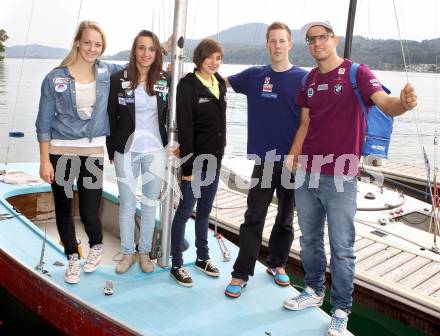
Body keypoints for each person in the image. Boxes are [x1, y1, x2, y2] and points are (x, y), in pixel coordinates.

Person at [282, 21, 417, 336]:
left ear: (334, 40)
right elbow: (305, 122)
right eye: (311, 39)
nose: (317, 43)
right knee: (309, 239)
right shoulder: (309, 80)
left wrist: (404, 103)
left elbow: (386, 103)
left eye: (323, 37)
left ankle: (341, 310)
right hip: (306, 172)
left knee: (342, 247)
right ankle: (314, 290)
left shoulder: (358, 73)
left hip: (341, 177)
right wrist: (293, 154)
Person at [224, 22, 307, 298]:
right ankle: (241, 272)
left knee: (285, 217)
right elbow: (217, 81)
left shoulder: (303, 79)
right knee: (253, 216)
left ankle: (277, 263)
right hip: (264, 160)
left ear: (290, 44)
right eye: (273, 41)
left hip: (291, 161)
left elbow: (315, 119)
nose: (277, 46)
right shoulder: (254, 76)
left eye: (282, 41)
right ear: (267, 44)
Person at [35, 20, 122, 284]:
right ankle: (72, 256)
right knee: (63, 207)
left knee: (88, 209)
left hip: (93, 152)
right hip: (60, 151)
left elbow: (140, 65)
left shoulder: (108, 71)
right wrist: (43, 161)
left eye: (98, 44)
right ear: (77, 42)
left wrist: (163, 49)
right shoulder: (55, 77)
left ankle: (96, 245)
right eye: (88, 43)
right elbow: (43, 122)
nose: (92, 48)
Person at [107, 30, 171, 274]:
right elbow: (111, 115)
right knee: (127, 202)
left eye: (151, 49)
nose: (146, 53)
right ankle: (127, 253)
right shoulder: (118, 78)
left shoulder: (166, 79)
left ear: (157, 53)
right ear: (134, 50)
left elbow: (172, 115)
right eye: (142, 48)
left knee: (149, 204)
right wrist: (111, 149)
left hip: (155, 150)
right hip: (126, 149)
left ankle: (144, 253)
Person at [169, 39, 226, 287]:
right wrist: (188, 168)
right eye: (210, 57)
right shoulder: (187, 86)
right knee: (184, 211)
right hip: (195, 162)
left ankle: (203, 257)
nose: (214, 63)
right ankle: (177, 264)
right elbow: (186, 128)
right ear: (200, 57)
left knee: (204, 212)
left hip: (214, 161)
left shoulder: (220, 83)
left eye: (218, 58)